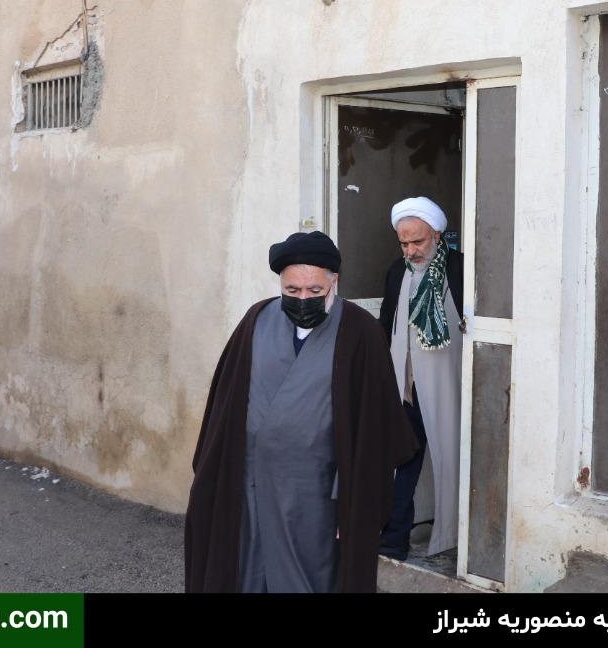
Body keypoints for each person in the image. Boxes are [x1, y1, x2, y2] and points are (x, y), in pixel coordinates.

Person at [184, 230, 417, 592]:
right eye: (292, 290)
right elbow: (224, 406)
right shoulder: (256, 320)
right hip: (250, 486)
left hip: (317, 496)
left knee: (310, 579)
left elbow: (376, 429)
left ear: (333, 281)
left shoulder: (361, 331)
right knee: (248, 574)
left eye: (314, 290)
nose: (303, 299)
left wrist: (353, 503)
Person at [377, 197, 464, 560]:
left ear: (437, 235)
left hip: (447, 386)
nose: (410, 251)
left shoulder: (460, 268)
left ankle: (453, 536)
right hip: (406, 387)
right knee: (402, 461)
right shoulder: (397, 272)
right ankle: (394, 538)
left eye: (418, 241)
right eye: (404, 243)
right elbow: (386, 324)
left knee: (451, 456)